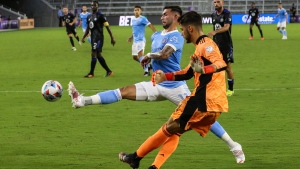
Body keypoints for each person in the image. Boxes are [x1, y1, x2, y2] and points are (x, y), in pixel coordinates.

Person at [69, 5, 245, 165]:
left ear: (177, 18)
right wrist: (162, 73)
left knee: (193, 119)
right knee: (125, 92)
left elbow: (165, 55)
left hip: (178, 88)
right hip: (159, 82)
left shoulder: (180, 37)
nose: (162, 17)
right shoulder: (157, 35)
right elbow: (186, 71)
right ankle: (82, 101)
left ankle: (233, 145)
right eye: (161, 14)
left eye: (165, 14)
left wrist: (150, 56)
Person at [119, 11, 236, 169]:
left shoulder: (206, 45)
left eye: (182, 30)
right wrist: (165, 77)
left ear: (190, 29)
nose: (181, 33)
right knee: (175, 131)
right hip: (214, 104)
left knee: (169, 127)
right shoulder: (200, 47)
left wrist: (204, 70)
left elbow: (221, 64)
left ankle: (135, 157)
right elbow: (187, 73)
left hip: (203, 100)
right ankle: (149, 164)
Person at [81, 1, 115, 78]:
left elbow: (107, 27)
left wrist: (112, 38)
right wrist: (83, 37)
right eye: (92, 5)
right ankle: (109, 71)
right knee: (98, 54)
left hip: (99, 37)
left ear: (97, 6)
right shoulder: (89, 16)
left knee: (93, 53)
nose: (93, 6)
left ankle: (91, 73)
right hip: (93, 37)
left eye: (95, 5)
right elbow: (88, 28)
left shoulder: (100, 16)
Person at [208, 0, 235, 96]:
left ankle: (231, 89)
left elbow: (226, 27)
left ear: (222, 2)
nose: (216, 4)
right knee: (215, 66)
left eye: (218, 2)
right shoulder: (213, 15)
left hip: (226, 44)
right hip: (216, 45)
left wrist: (215, 32)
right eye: (214, 2)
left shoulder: (227, 13)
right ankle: (216, 87)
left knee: (227, 67)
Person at [128, 5, 156, 76]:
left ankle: (146, 71)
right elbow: (135, 30)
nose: (136, 11)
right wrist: (131, 37)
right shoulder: (133, 19)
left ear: (141, 11)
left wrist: (156, 34)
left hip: (141, 40)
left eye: (138, 10)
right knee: (134, 57)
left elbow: (150, 25)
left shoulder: (143, 18)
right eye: (135, 10)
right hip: (135, 41)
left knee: (140, 55)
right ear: (133, 11)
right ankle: (148, 65)